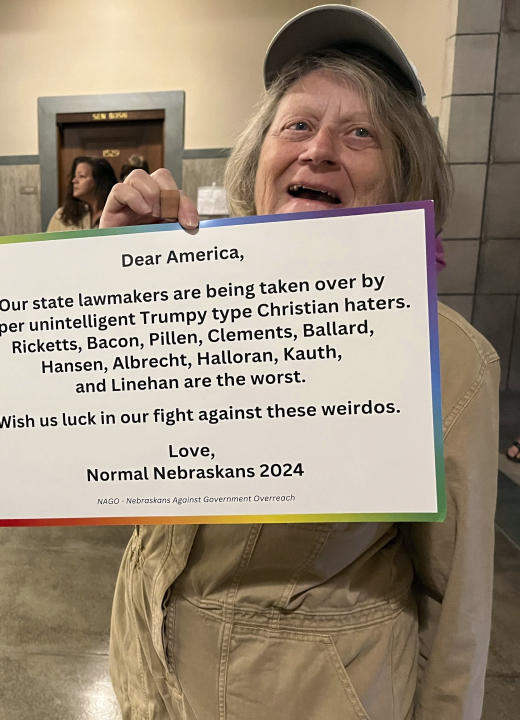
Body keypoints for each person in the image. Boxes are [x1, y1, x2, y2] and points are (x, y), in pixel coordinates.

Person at [103, 6, 499, 719]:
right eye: (298, 125)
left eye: (359, 133)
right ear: (259, 164)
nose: (319, 150)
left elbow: (458, 615)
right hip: (152, 682)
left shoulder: (448, 358)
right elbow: (108, 464)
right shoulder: (192, 305)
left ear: (402, 175)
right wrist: (118, 291)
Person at [46, 156, 118, 231]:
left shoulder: (116, 214)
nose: (74, 181)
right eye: (74, 176)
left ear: (99, 180)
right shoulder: (62, 215)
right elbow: (48, 242)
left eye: (81, 176)